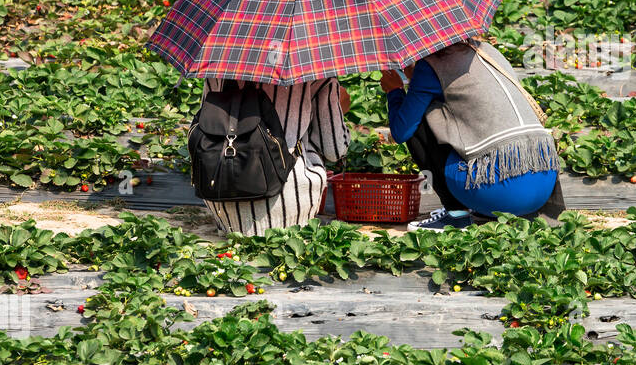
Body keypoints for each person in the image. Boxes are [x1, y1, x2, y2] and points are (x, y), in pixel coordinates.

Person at [383, 38, 559, 232]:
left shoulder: (432, 65)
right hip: (542, 185)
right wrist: (416, 77)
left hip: (499, 194)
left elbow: (402, 131)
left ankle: (456, 214)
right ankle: (486, 208)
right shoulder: (489, 51)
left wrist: (395, 91)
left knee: (417, 118)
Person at [200, 77, 351, 235]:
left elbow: (203, 130)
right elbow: (334, 149)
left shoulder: (217, 67)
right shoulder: (315, 71)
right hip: (290, 204)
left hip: (222, 200)